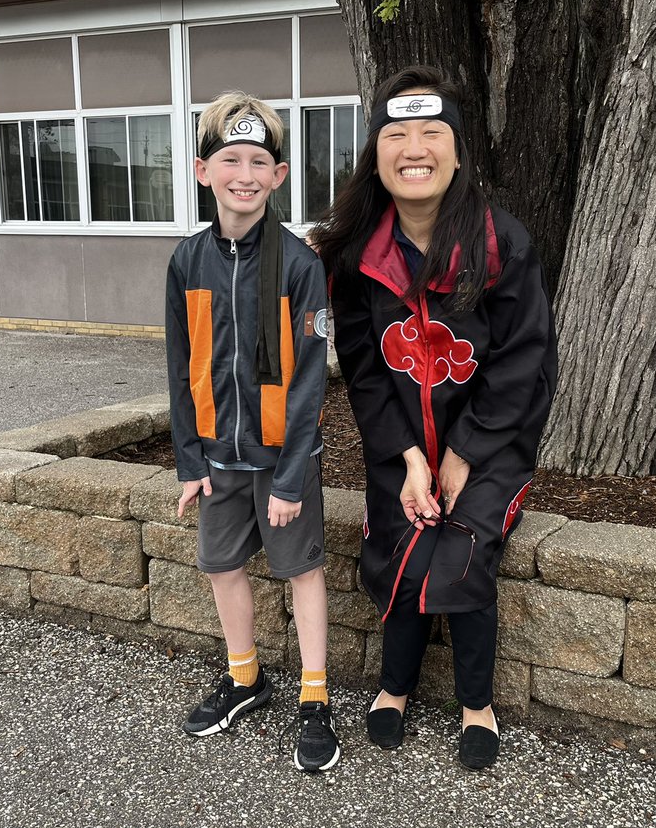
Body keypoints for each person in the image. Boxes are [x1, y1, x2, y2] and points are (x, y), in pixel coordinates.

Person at [312, 66, 558, 770]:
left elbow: (524, 361)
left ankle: (476, 704)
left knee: (463, 550)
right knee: (400, 540)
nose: (413, 147)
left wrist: (463, 454)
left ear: (456, 152)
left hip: (492, 441)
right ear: (377, 152)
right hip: (404, 440)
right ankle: (394, 687)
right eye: (396, 133)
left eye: (431, 132)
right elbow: (362, 370)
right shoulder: (360, 256)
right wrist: (410, 458)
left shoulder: (499, 243)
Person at [164, 91, 338, 773]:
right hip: (218, 459)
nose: (244, 172)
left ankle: (315, 699)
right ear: (203, 170)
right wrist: (189, 461)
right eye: (229, 158)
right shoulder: (186, 262)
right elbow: (180, 368)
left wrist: (292, 474)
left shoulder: (301, 265)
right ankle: (245, 679)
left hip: (281, 460)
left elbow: (310, 378)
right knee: (222, 566)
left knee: (302, 571)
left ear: (280, 175)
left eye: (258, 161)